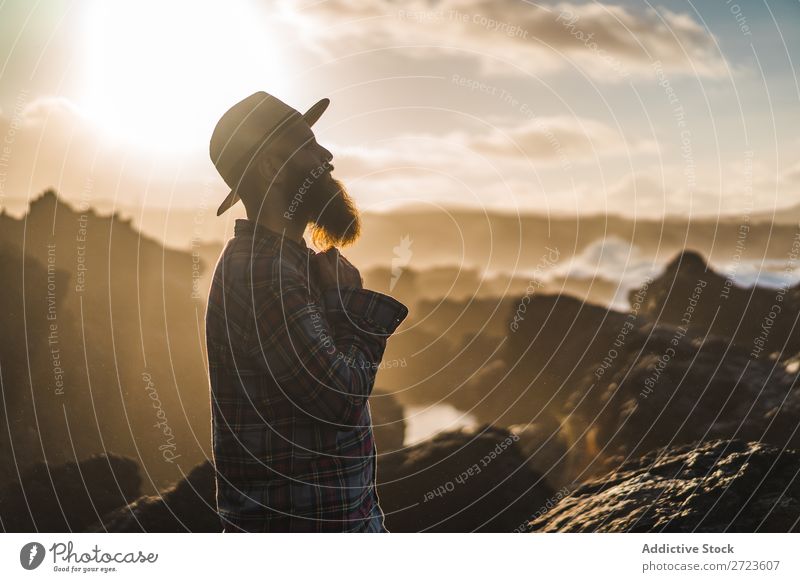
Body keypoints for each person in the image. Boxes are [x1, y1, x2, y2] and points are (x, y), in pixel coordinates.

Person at [205, 91, 408, 532]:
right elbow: (339, 398)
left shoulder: (284, 264)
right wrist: (354, 309)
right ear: (270, 168)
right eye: (306, 144)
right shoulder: (265, 273)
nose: (327, 155)